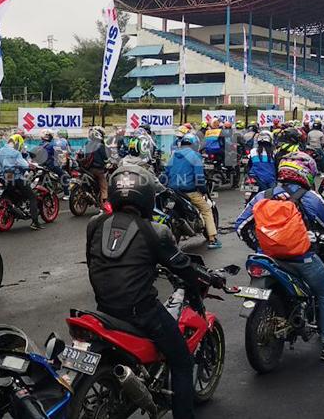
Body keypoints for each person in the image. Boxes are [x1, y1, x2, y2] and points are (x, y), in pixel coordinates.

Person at [86, 165, 223, 419]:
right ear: (147, 195)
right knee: (182, 361)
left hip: (104, 309)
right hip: (142, 313)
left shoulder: (95, 224)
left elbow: (94, 261)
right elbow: (182, 267)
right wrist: (210, 278)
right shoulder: (155, 231)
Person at [235, 152, 324, 362]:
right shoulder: (311, 198)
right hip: (301, 259)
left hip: (267, 259)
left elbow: (241, 226)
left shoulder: (263, 195)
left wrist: (259, 246)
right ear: (306, 173)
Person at [165, 134, 219, 249]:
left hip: (173, 191)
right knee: (206, 209)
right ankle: (212, 239)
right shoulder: (195, 155)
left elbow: (166, 172)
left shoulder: (174, 155)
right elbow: (199, 176)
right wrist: (204, 190)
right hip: (189, 191)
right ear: (194, 144)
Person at [0, 133, 44, 230]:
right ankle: (35, 222)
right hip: (17, 178)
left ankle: (16, 209)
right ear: (17, 143)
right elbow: (24, 165)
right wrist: (30, 166)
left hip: (4, 178)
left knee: (11, 195)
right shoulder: (16, 153)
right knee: (32, 197)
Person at [81, 126, 111, 212]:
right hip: (98, 170)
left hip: (87, 169)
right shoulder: (101, 146)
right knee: (104, 187)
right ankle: (103, 205)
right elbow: (105, 157)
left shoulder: (87, 144)